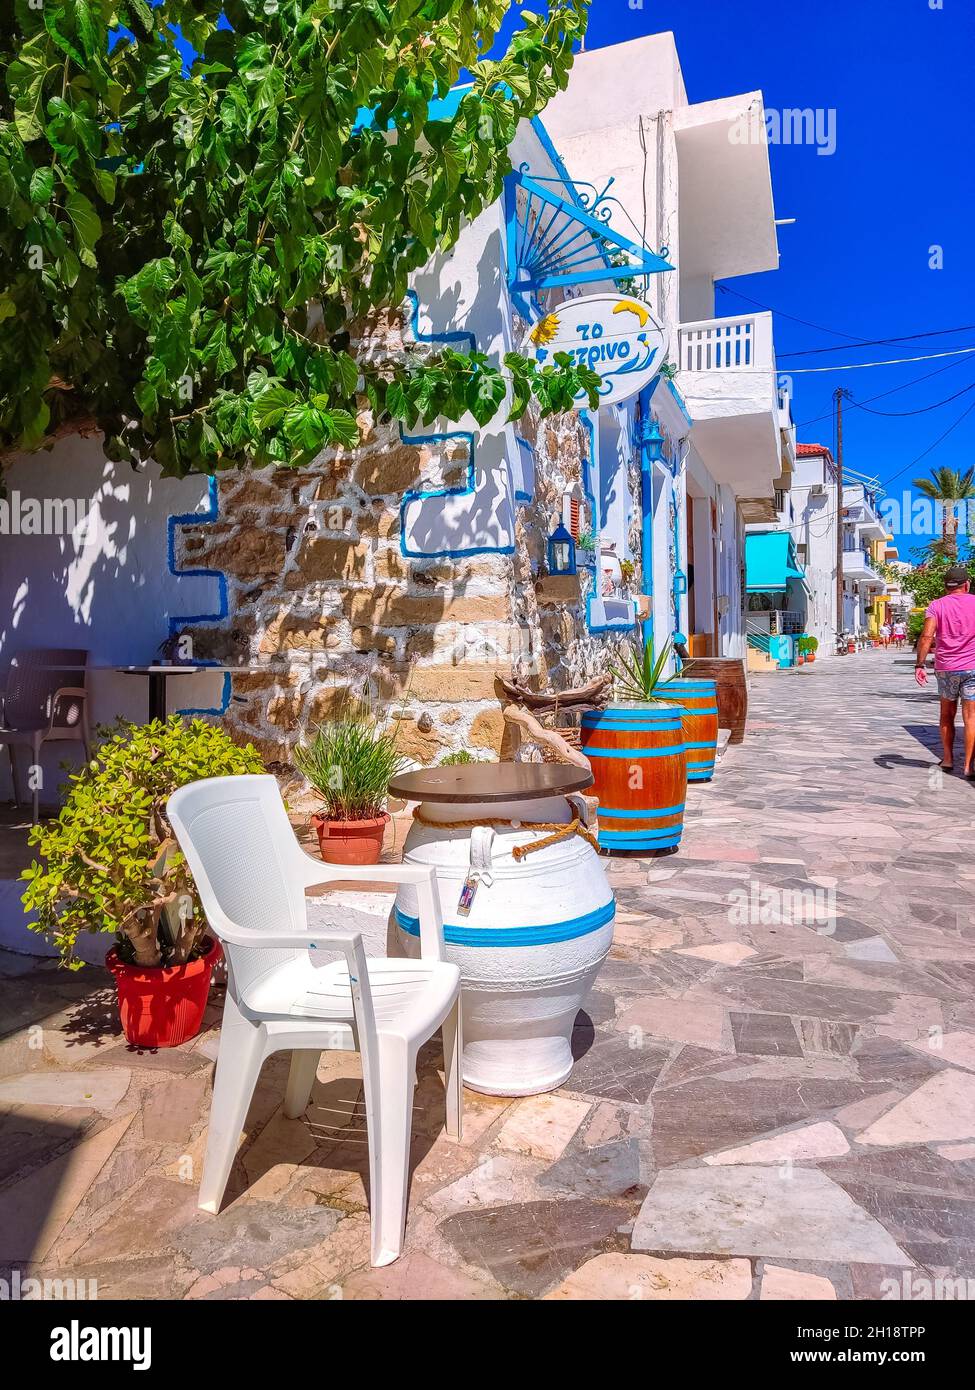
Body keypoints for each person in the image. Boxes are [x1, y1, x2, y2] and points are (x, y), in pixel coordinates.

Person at [915, 566, 975, 774]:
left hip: (946, 668)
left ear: (946, 586)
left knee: (946, 715)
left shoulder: (936, 606)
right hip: (973, 668)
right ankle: (968, 766)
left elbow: (926, 636)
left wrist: (920, 664)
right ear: (966, 584)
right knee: (971, 717)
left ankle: (948, 760)